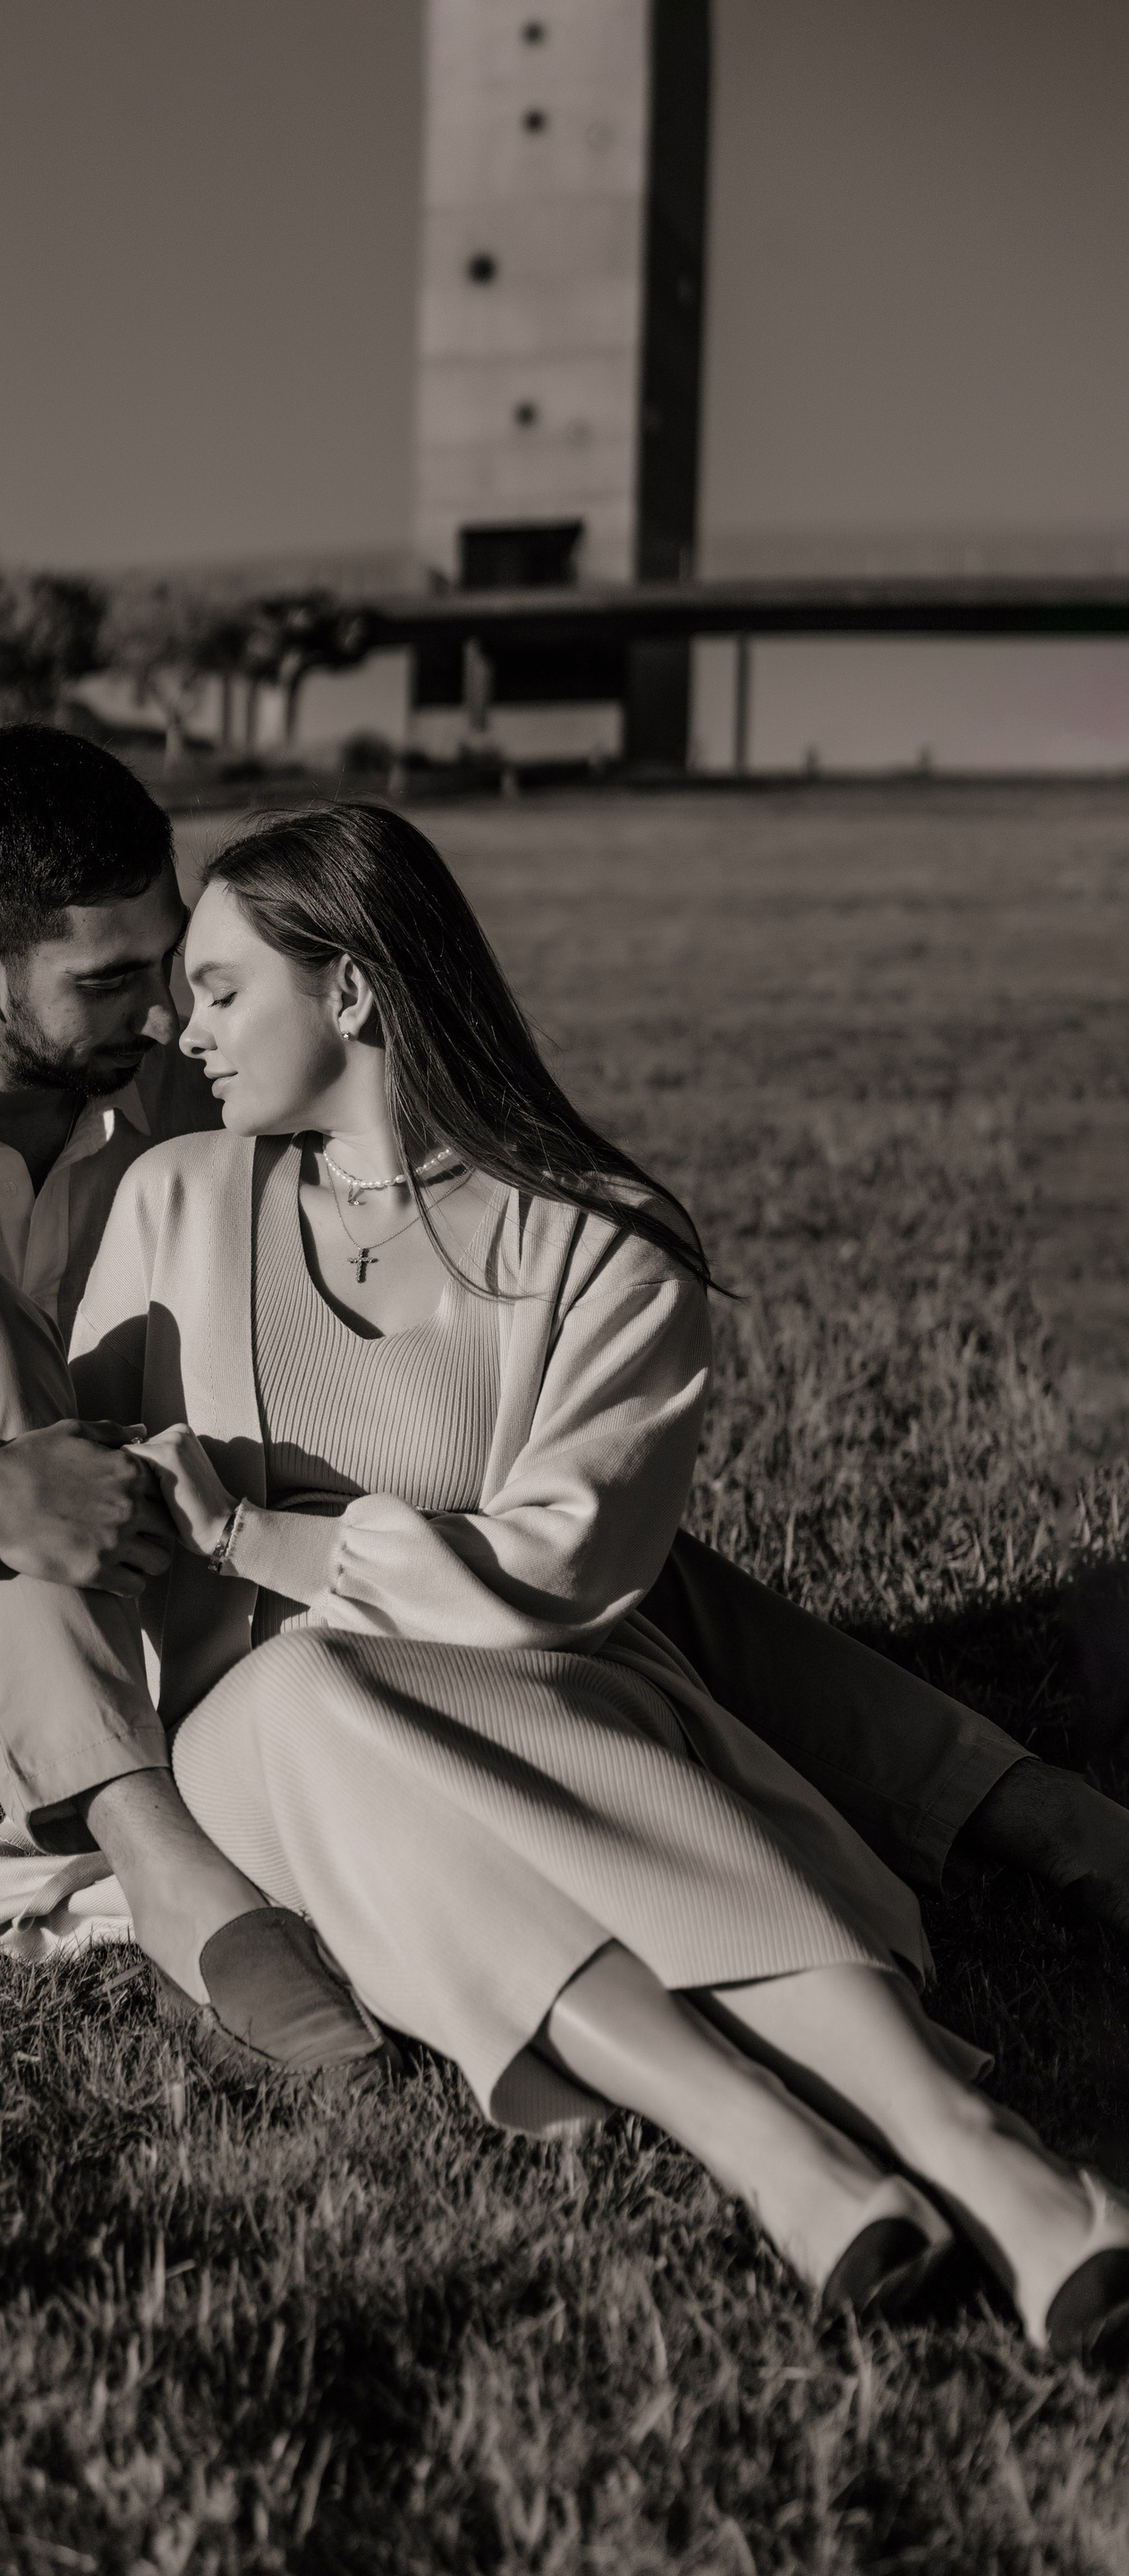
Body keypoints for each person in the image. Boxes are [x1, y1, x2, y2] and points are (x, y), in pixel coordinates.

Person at [0, 728, 1127, 2063]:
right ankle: (154, 1851)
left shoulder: (178, 1086)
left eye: (178, 973)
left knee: (567, 1556)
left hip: (122, 1591)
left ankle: (1010, 1804)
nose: (164, 1022)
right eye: (110, 983)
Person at [55, 803, 1127, 2355]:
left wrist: (255, 1539)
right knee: (295, 1691)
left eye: (219, 990)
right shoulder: (170, 1203)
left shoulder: (600, 1244)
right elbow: (84, 1523)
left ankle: (940, 2153)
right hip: (252, 1755)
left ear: (351, 989)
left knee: (396, 1716)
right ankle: (774, 2135)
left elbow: (562, 1573)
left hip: (540, 1700)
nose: (183, 1030)